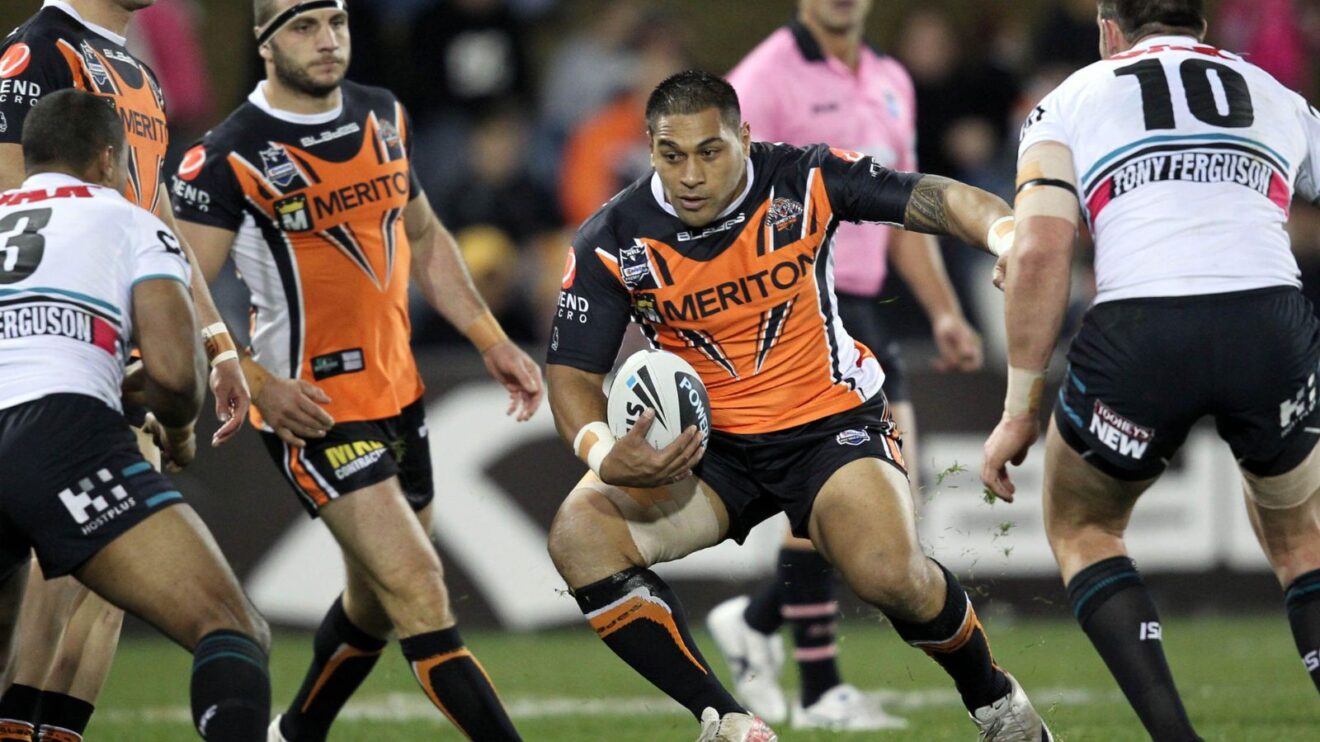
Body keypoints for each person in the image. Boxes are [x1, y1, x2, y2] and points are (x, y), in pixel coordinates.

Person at [545, 70, 1049, 742]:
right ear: (650, 148)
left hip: (828, 428)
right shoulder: (615, 236)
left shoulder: (802, 179)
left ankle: (994, 701)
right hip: (708, 448)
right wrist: (606, 454)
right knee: (578, 536)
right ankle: (726, 721)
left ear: (744, 139)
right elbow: (572, 374)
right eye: (672, 155)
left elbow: (931, 197)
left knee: (891, 579)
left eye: (709, 151)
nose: (690, 173)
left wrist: (1009, 238)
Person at [169, 2, 543, 741]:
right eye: (305, 27)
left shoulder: (382, 114)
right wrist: (255, 380)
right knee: (420, 585)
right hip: (312, 408)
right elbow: (179, 288)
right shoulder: (228, 153)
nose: (329, 40)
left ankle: (298, 730)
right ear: (264, 41)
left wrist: (490, 338)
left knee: (375, 599)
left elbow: (427, 236)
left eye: (336, 22)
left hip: (400, 393)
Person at [982, 1, 1320, 739]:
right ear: (1199, 22)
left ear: (1110, 29)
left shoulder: (1071, 97)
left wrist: (1017, 412)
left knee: (1084, 528)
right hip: (1271, 323)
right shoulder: (1280, 95)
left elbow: (1040, 253)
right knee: (1303, 542)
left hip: (1144, 330)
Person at [706, 0, 983, 729]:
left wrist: (947, 309)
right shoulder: (763, 77)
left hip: (868, 307)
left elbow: (902, 207)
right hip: (796, 312)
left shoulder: (893, 78)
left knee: (893, 504)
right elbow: (715, 199)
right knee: (828, 492)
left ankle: (759, 624)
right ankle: (822, 686)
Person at [0, 3, 251, 740]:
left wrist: (216, 339)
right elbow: (17, 208)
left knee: (100, 595)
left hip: (127, 341)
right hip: (63, 345)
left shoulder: (139, 71)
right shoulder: (36, 51)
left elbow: (156, 205)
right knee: (54, 576)